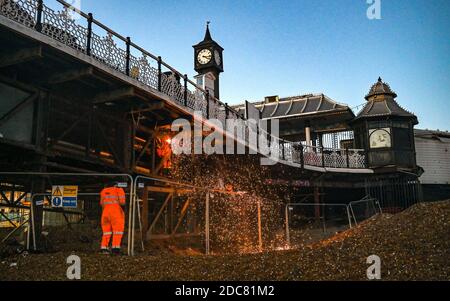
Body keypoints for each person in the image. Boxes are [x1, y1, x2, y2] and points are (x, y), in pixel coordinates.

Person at [100, 184, 126, 255]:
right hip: (115, 212)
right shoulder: (119, 189)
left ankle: (104, 248)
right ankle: (115, 249)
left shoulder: (103, 191)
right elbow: (122, 202)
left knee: (106, 232)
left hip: (105, 212)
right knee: (118, 231)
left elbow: (101, 203)